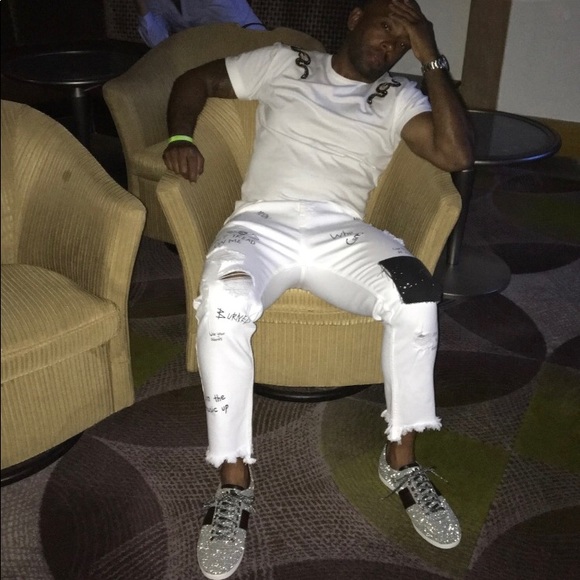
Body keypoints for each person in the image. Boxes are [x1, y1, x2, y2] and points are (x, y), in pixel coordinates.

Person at [163, 0, 474, 577]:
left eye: (404, 41)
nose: (391, 45)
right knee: (225, 305)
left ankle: (401, 461)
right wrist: (180, 133)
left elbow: (456, 154)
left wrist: (431, 56)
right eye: (386, 27)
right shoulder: (285, 63)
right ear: (356, 18)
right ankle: (233, 480)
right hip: (261, 226)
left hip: (343, 232)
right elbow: (193, 80)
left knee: (416, 296)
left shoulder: (398, 96)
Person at [133, 0, 265, 48]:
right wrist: (140, 4)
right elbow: (158, 42)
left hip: (249, 43)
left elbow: (233, 31)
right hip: (202, 53)